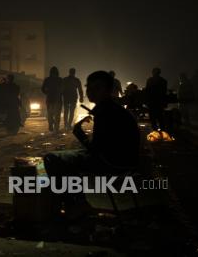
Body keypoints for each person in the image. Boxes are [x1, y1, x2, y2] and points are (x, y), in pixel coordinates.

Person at [44, 71, 140, 215]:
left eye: (97, 88)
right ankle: (77, 202)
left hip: (112, 161)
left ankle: (76, 204)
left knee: (52, 158)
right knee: (70, 158)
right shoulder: (112, 107)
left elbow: (95, 150)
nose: (90, 92)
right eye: (89, 87)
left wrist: (79, 133)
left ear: (108, 90)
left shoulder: (105, 110)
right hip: (125, 160)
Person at [42, 66, 63, 133]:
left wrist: (47, 92)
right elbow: (63, 89)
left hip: (50, 99)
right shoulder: (60, 79)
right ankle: (55, 127)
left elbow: (42, 88)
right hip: (57, 99)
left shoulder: (47, 79)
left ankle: (52, 126)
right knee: (56, 115)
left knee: (50, 114)